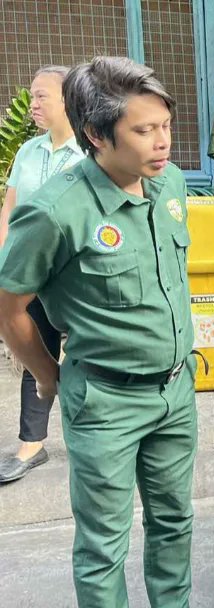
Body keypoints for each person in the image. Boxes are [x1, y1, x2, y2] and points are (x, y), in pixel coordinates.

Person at [0, 57, 196, 606]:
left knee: (175, 525)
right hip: (105, 401)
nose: (162, 143)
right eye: (143, 130)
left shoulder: (172, 183)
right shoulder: (55, 210)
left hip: (176, 392)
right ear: (96, 135)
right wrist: (47, 374)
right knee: (103, 546)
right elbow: (10, 307)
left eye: (165, 126)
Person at [0, 65, 84, 483]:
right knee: (35, 350)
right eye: (30, 98)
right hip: (30, 269)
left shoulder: (90, 152)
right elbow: (9, 210)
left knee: (90, 350)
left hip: (76, 273)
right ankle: (32, 443)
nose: (31, 105)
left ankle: (95, 432)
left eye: (40, 97)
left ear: (68, 100)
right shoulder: (28, 152)